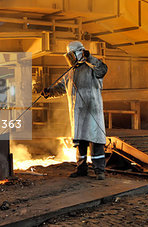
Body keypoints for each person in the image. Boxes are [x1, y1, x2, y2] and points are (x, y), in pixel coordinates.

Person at [41, 41, 108, 180]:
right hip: (78, 112)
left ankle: (99, 170)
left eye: (72, 55)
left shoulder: (92, 68)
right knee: (81, 142)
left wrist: (90, 58)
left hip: (92, 110)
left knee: (96, 141)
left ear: (79, 52)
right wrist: (49, 92)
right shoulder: (71, 72)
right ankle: (81, 169)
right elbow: (61, 88)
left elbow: (102, 69)